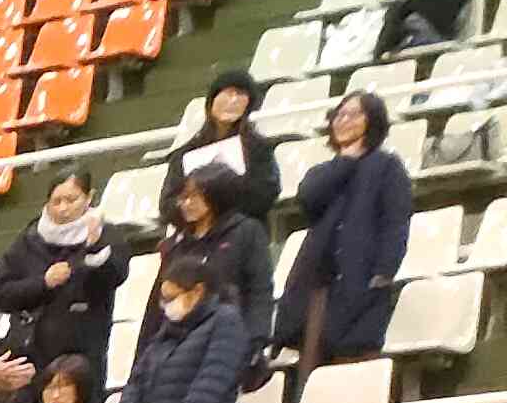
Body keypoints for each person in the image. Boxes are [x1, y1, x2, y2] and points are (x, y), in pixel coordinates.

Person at [278, 93, 415, 374]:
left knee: (354, 363)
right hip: (318, 285)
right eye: (339, 115)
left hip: (362, 281)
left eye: (354, 114)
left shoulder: (387, 166)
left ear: (372, 120)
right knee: (312, 366)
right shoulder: (323, 171)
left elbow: (395, 223)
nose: (344, 120)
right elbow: (308, 200)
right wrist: (346, 161)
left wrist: (383, 273)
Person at [116, 250, 255, 403]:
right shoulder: (166, 331)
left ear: (198, 291)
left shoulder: (226, 321)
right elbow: (138, 381)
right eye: (164, 299)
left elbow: (213, 378)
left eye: (172, 297)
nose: (166, 306)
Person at [0, 169, 137, 386]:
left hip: (80, 359)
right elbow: (0, 295)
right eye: (56, 201)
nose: (63, 208)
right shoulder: (30, 237)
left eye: (71, 200)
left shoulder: (105, 234)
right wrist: (43, 283)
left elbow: (115, 276)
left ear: (89, 197)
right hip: (29, 358)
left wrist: (94, 251)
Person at [168, 73, 282, 302]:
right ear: (211, 100)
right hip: (194, 247)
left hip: (242, 246)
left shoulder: (259, 149)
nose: (233, 100)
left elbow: (266, 194)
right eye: (227, 93)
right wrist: (194, 211)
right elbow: (168, 203)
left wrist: (221, 199)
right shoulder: (185, 154)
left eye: (240, 94)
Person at [155, 167, 270, 321]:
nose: (186, 203)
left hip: (232, 328)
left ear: (215, 195)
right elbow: (162, 301)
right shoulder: (178, 244)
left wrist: (255, 333)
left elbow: (259, 290)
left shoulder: (247, 232)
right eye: (183, 197)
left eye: (194, 196)